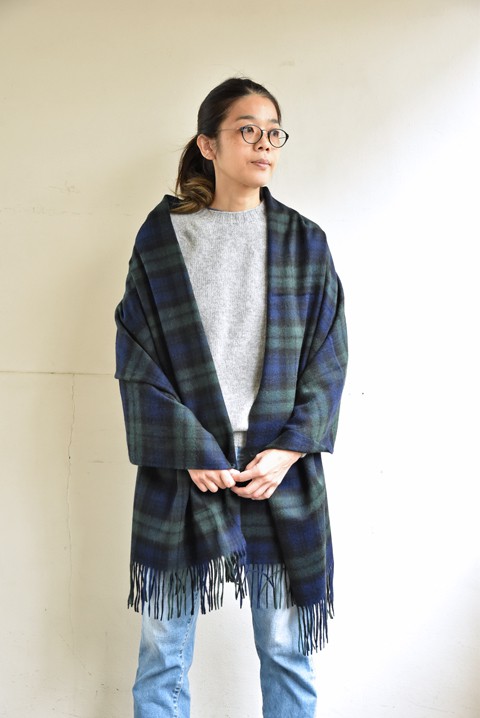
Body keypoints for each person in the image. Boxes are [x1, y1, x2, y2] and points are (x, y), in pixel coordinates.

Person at [115, 77, 348, 718]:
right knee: (163, 654)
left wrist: (289, 452)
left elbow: (329, 359)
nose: (264, 143)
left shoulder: (304, 242)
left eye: (273, 132)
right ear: (208, 144)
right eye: (247, 129)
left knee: (287, 652)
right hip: (184, 465)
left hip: (279, 470)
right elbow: (136, 356)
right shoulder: (163, 239)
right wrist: (189, 448)